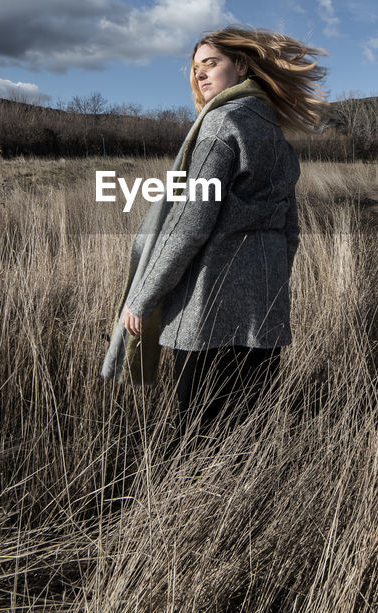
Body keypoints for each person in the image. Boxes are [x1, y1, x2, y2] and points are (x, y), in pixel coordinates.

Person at [101, 26, 327, 439]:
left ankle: (185, 506)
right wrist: (269, 282)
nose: (200, 75)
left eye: (211, 64)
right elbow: (289, 229)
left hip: (208, 312)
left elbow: (189, 223)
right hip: (263, 312)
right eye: (195, 69)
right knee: (247, 434)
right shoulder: (273, 133)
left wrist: (144, 295)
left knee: (196, 436)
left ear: (241, 65)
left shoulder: (220, 123)